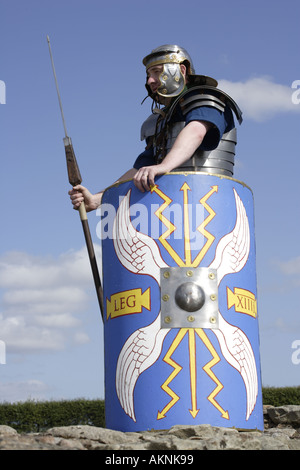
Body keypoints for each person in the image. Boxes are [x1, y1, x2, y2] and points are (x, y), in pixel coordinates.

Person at [69, 44, 242, 211]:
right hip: (171, 207)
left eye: (157, 72)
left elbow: (195, 131)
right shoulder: (161, 121)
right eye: (148, 75)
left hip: (210, 202)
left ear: (181, 71)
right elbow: (139, 171)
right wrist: (98, 199)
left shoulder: (206, 99)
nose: (150, 80)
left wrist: (164, 166)